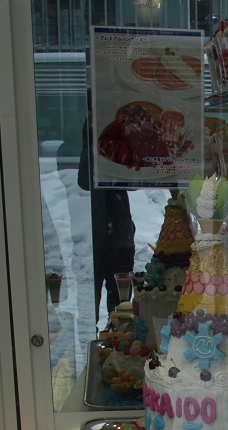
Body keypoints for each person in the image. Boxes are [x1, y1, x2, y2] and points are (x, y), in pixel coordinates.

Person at [78, 118, 135, 324]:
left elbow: (134, 181)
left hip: (118, 237)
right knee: (90, 308)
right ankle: (97, 337)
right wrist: (93, 144)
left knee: (121, 306)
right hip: (100, 238)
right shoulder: (92, 148)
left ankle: (118, 338)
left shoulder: (119, 140)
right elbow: (84, 181)